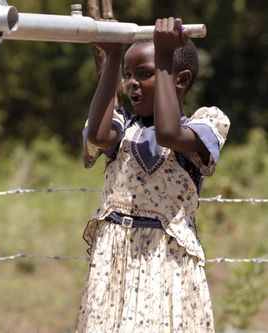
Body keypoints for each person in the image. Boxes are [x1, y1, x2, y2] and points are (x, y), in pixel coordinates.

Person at [76, 17, 230, 332]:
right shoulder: (122, 126)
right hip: (115, 257)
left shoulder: (205, 125)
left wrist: (163, 57)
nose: (131, 83)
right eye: (128, 75)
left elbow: (168, 133)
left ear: (180, 79)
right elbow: (96, 136)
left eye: (144, 74)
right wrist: (112, 58)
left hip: (166, 260)